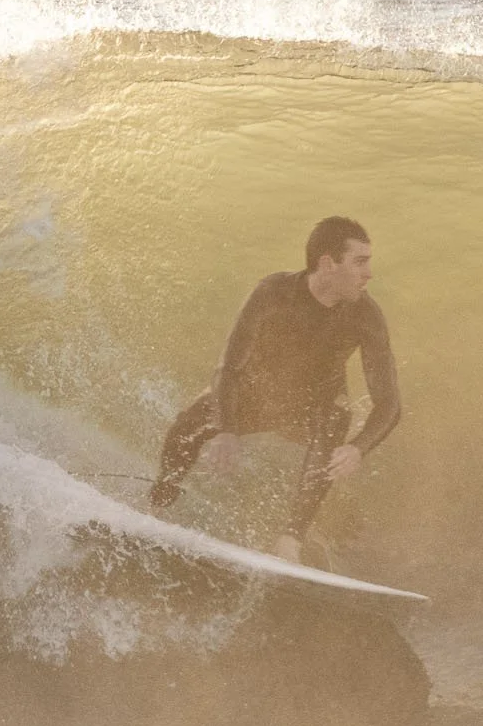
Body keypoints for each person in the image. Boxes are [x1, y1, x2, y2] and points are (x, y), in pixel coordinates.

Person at [149, 215, 401, 564]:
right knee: (186, 427)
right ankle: (157, 510)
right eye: (360, 262)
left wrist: (358, 448)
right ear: (328, 264)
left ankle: (291, 542)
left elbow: (389, 404)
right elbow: (229, 367)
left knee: (336, 418)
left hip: (313, 408)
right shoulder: (274, 293)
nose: (369, 273)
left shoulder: (366, 315)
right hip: (259, 397)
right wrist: (227, 430)